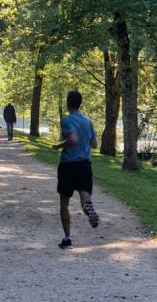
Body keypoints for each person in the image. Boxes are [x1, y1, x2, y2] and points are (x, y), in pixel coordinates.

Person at [52, 90, 99, 249]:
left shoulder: (66, 120)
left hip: (68, 165)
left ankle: (67, 238)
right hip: (85, 165)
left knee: (64, 204)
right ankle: (89, 209)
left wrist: (59, 146)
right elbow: (94, 144)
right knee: (85, 202)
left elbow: (72, 139)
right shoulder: (87, 121)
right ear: (80, 103)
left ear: (68, 103)